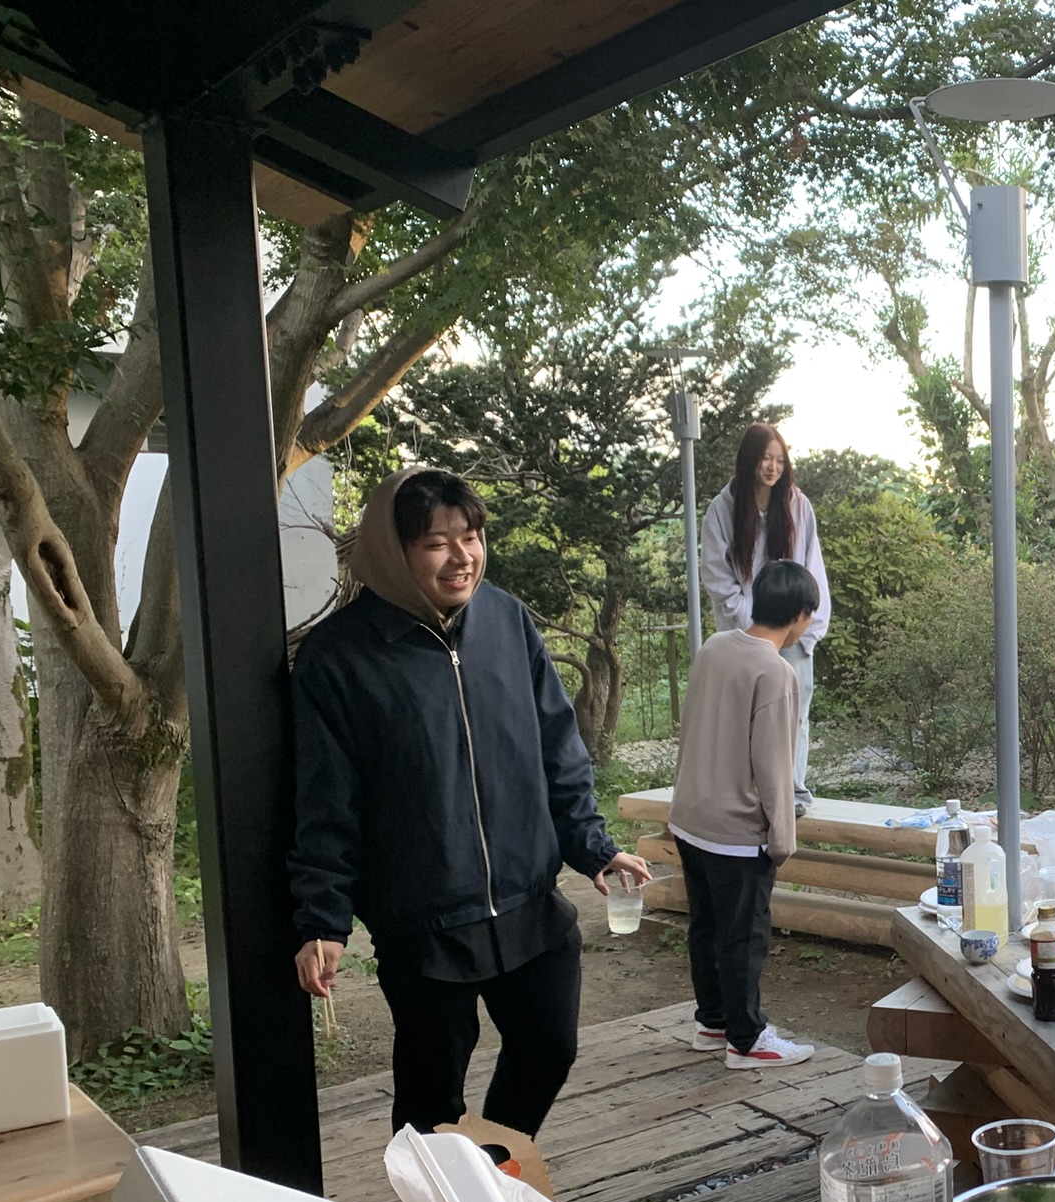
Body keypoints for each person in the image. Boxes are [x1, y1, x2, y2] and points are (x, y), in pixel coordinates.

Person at [289, 467, 649, 1136]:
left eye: (472, 537)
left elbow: (557, 748)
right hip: (424, 922)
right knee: (431, 1098)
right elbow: (325, 799)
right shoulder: (339, 657)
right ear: (393, 552)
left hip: (528, 901)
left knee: (548, 1047)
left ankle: (494, 1172)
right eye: (436, 543)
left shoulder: (507, 620)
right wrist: (323, 919)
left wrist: (593, 846)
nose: (462, 557)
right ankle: (446, 1190)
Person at [673, 559, 820, 1068]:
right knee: (744, 935)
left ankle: (713, 1022)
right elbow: (774, 764)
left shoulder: (714, 647)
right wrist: (782, 838)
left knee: (706, 927)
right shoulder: (775, 672)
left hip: (691, 816)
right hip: (736, 831)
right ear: (800, 616)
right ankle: (746, 1039)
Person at [701, 423, 830, 815]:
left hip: (792, 631)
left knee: (794, 715)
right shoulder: (723, 508)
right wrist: (752, 626)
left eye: (779, 460)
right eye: (765, 459)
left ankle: (791, 794)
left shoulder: (796, 505)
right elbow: (717, 576)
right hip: (745, 633)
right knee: (744, 717)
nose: (772, 467)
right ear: (749, 460)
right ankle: (745, 794)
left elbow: (811, 565)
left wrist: (806, 629)